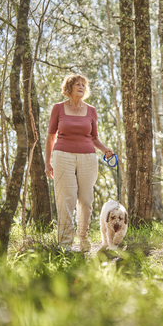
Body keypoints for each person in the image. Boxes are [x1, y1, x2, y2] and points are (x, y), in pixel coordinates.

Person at [45, 74, 114, 252]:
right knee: (65, 199)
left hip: (87, 157)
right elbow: (51, 137)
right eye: (77, 84)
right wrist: (47, 162)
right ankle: (65, 244)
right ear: (69, 88)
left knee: (86, 199)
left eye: (84, 84)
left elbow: (94, 138)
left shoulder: (91, 110)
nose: (81, 87)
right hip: (62, 156)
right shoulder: (58, 108)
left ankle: (83, 237)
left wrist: (105, 149)